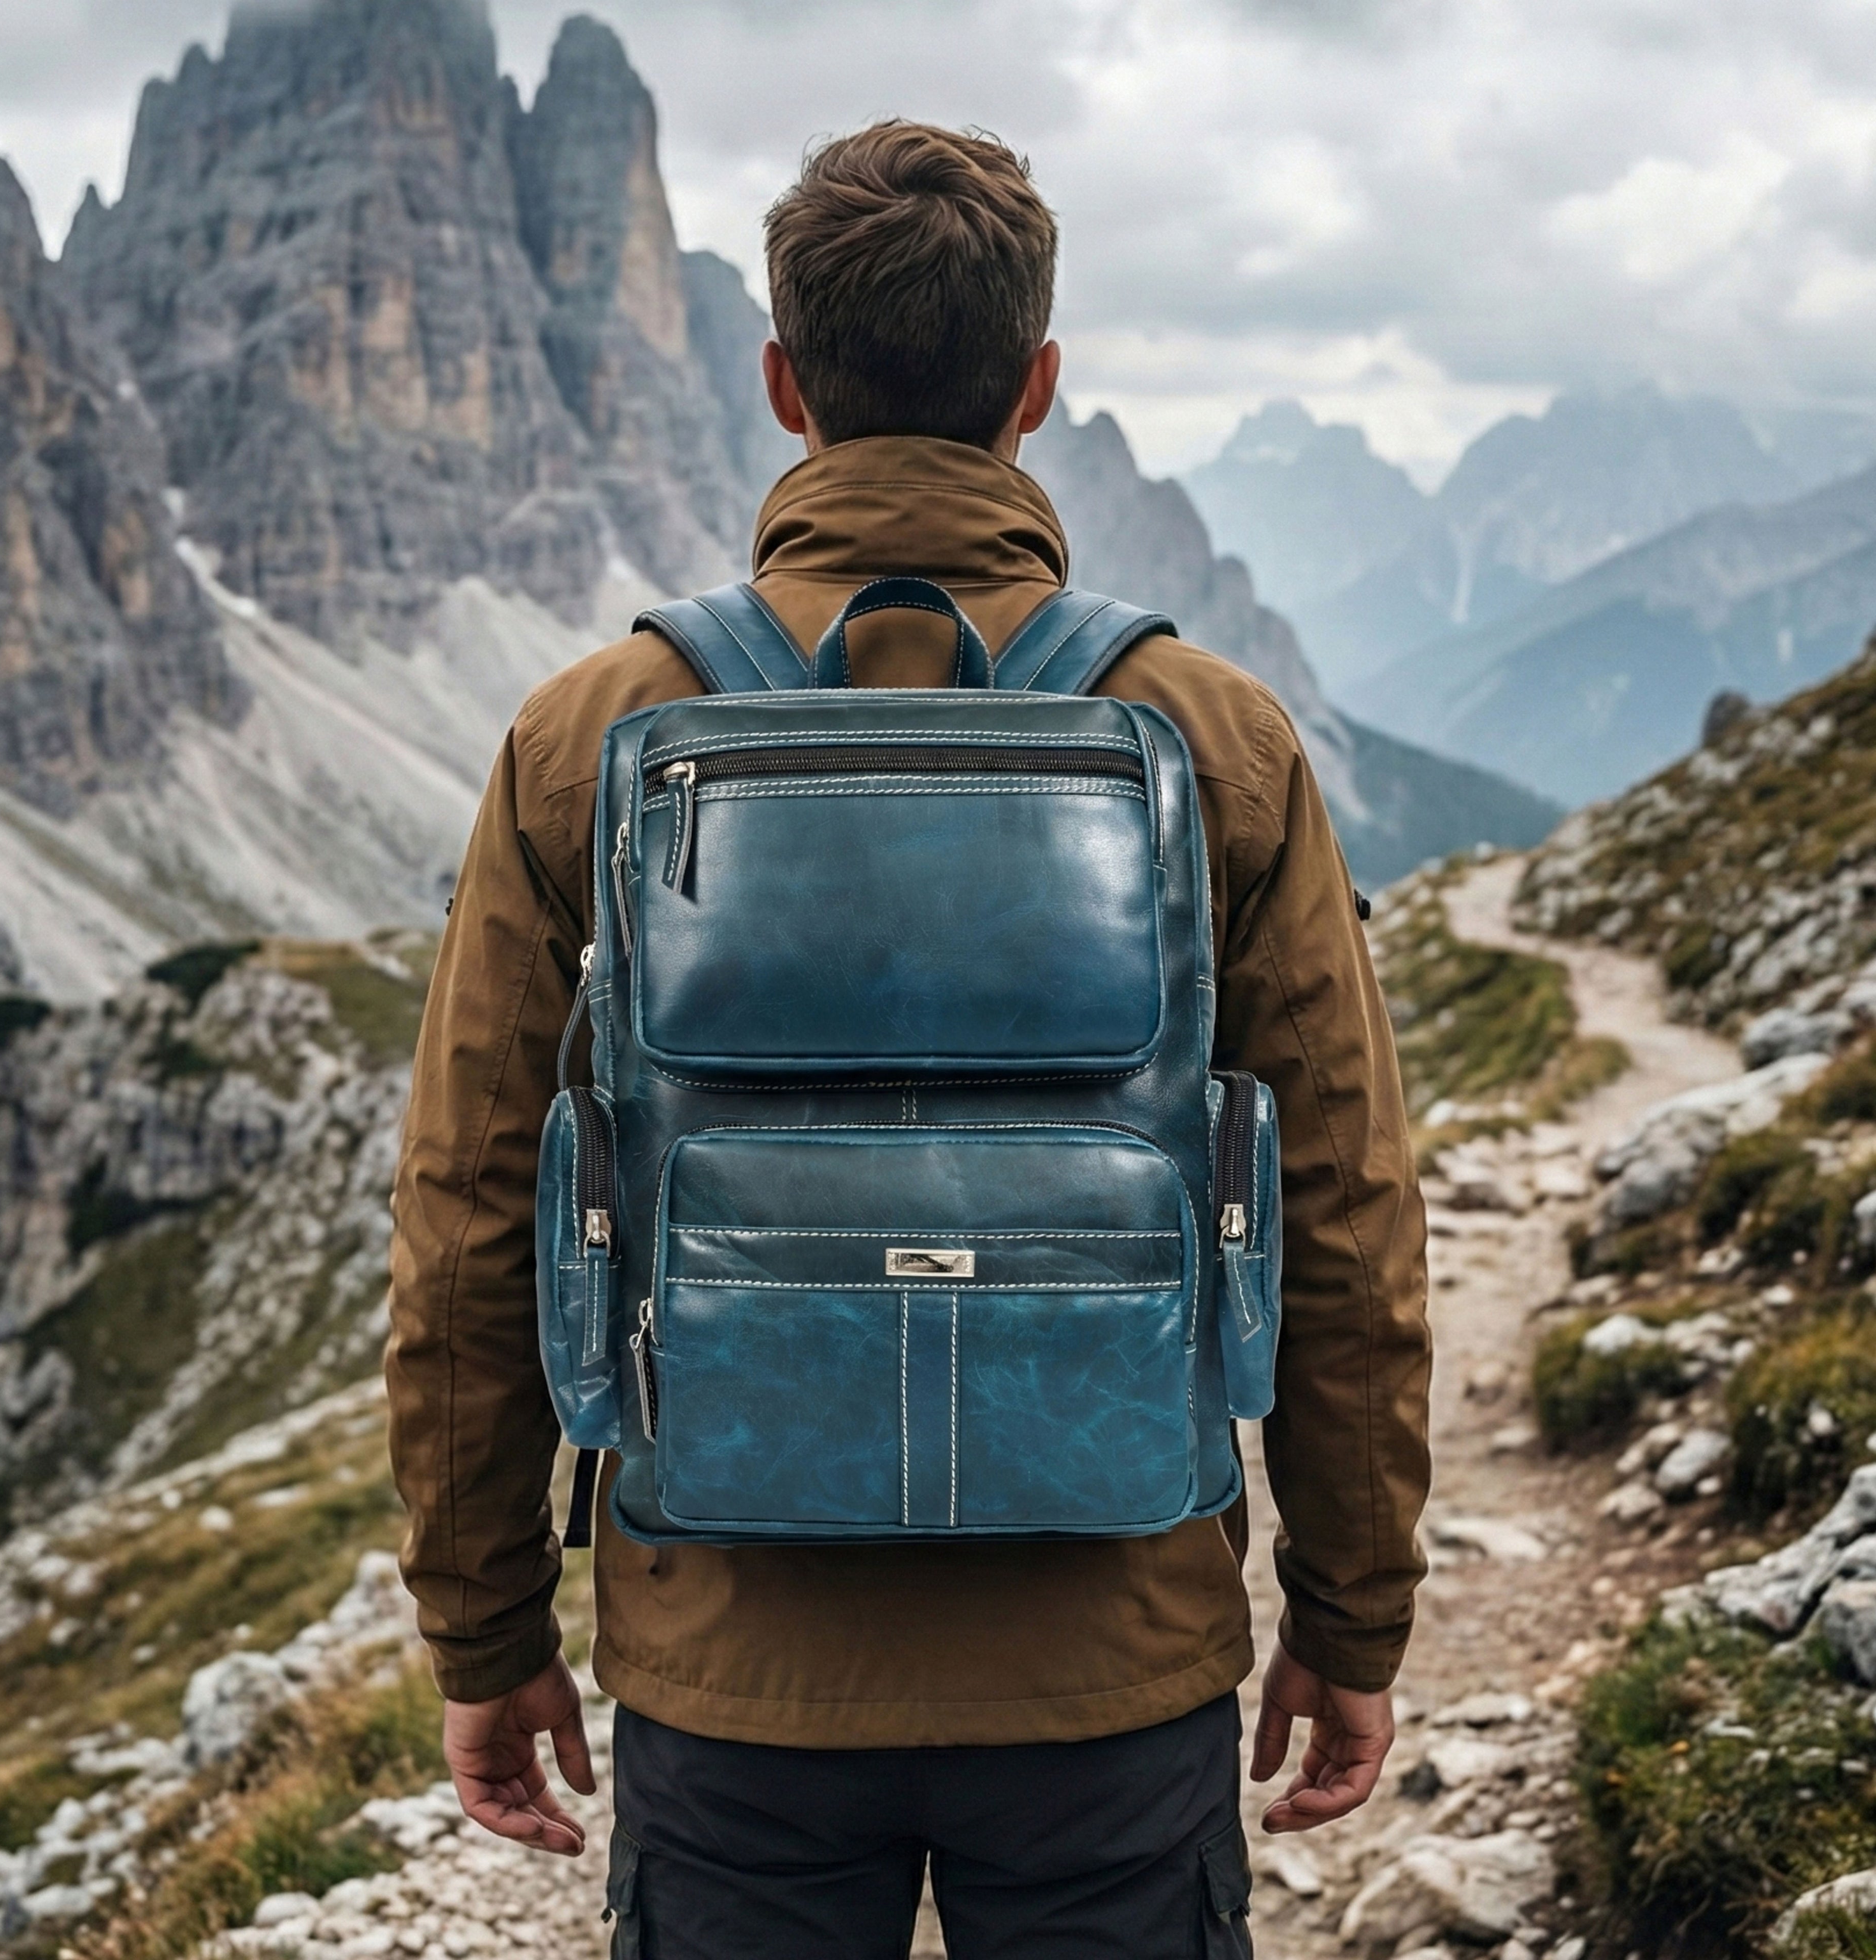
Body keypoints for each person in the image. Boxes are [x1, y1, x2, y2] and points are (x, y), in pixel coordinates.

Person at [388, 119, 1430, 1958]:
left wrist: (486, 1635)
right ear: (1037, 388)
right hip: (1114, 1666)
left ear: (786, 384)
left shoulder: (594, 735)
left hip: (731, 1678)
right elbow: (1340, 1206)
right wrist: (1353, 1621)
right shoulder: (1213, 733)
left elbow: (477, 1207)